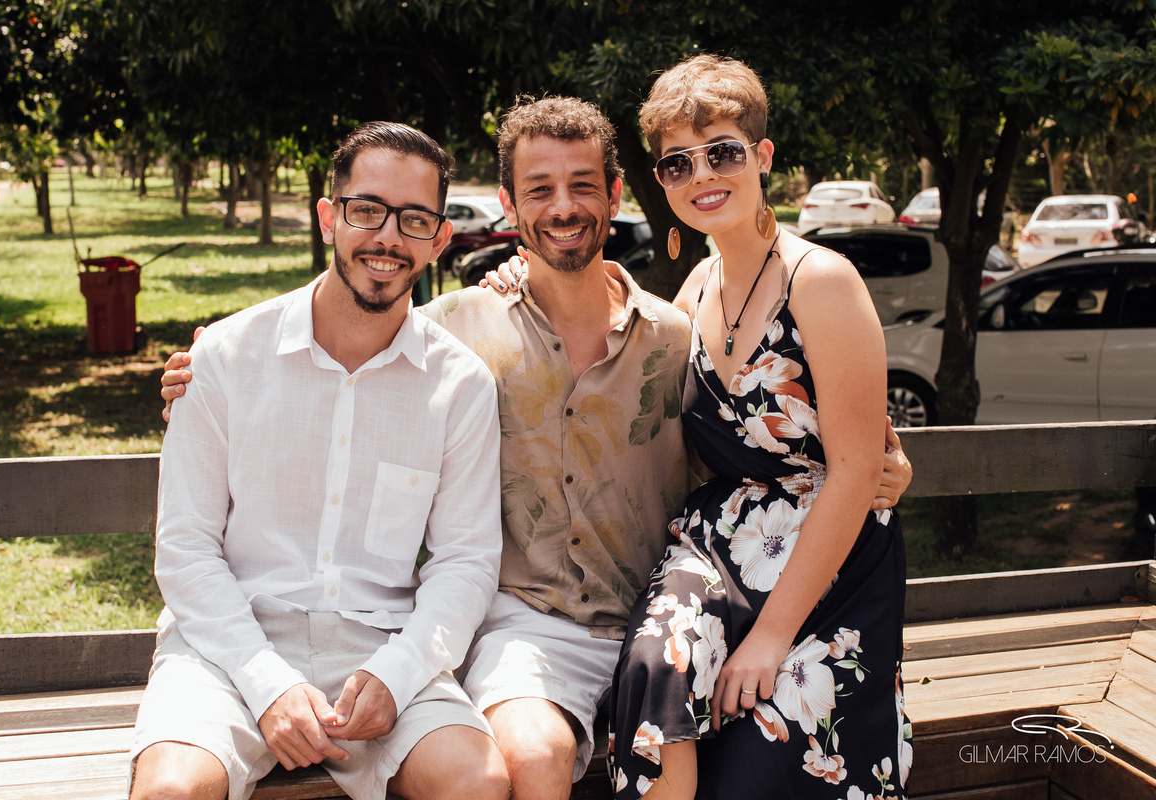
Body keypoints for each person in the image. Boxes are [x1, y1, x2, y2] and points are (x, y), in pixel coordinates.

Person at [160, 97, 914, 800]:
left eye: (582, 186)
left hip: (666, 613)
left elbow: (760, 428)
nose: (562, 207)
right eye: (539, 189)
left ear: (615, 197)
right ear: (511, 208)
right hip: (532, 629)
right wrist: (205, 362)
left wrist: (885, 464)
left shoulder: (676, 330)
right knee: (526, 757)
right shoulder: (458, 330)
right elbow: (346, 329)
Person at [132, 121, 510, 800]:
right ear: (329, 216)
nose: (388, 237)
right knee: (170, 792)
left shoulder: (460, 384)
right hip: (228, 642)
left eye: (414, 219)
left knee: (475, 783)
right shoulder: (221, 358)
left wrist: (397, 676)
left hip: (383, 645)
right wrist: (266, 682)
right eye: (367, 210)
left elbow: (466, 561)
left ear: (439, 240)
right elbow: (186, 549)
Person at [606, 55, 911, 799]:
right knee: (654, 675)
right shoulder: (695, 286)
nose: (702, 173)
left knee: (759, 768)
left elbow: (855, 468)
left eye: (723, 151)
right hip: (720, 548)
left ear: (762, 156)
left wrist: (773, 636)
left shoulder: (822, 280)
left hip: (827, 557)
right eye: (677, 162)